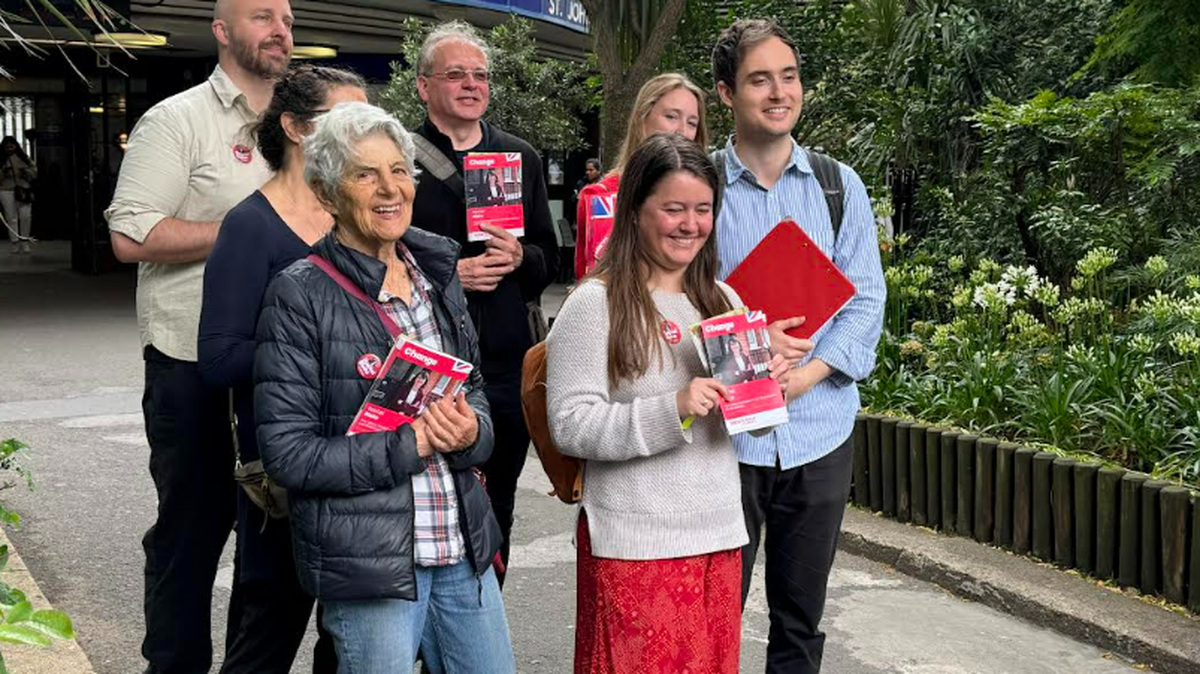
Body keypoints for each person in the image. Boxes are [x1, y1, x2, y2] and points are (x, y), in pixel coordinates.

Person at [254, 101, 514, 673]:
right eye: (364, 173)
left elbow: (475, 395)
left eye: (398, 170)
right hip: (370, 565)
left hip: (458, 544)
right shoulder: (298, 294)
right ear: (327, 193)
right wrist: (413, 443)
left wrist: (470, 430)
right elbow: (289, 456)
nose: (388, 188)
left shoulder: (436, 273)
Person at [547, 133, 790, 674]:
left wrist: (767, 386)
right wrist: (674, 406)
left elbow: (754, 427)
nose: (690, 224)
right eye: (673, 208)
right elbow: (570, 424)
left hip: (719, 537)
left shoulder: (722, 299)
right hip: (633, 544)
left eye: (702, 209)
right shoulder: (595, 303)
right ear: (635, 212)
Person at [104, 0, 293, 670]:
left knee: (272, 544)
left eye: (287, 17)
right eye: (262, 15)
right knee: (192, 535)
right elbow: (131, 235)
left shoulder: (302, 127)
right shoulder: (177, 120)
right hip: (191, 363)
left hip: (286, 368)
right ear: (221, 32)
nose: (280, 29)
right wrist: (253, 234)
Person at [711, 18, 886, 673]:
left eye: (788, 76)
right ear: (728, 94)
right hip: (725, 437)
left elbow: (865, 299)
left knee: (800, 622)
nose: (779, 91)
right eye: (760, 79)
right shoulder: (698, 188)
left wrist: (807, 375)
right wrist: (748, 352)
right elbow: (671, 304)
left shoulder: (840, 188)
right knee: (712, 616)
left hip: (819, 431)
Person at [197, 63, 366, 674]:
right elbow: (218, 357)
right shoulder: (250, 225)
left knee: (348, 637)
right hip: (283, 470)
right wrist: (319, 356)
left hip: (363, 459)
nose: (363, 134)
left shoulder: (359, 215)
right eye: (346, 119)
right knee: (266, 634)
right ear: (295, 128)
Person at [410, 20, 560, 583]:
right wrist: (453, 273)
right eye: (456, 75)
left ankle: (478, 627)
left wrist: (522, 260)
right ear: (425, 86)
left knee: (495, 512)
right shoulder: (398, 158)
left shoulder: (519, 157)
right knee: (418, 512)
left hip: (502, 367)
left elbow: (551, 257)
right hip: (425, 367)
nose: (471, 84)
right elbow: (372, 260)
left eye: (480, 75)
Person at [574, 72, 707, 281]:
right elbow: (587, 279)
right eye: (671, 116)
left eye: (692, 123)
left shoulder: (706, 198)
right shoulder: (600, 197)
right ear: (641, 118)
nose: (682, 131)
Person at [0, 136, 36, 255]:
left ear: (16, 146)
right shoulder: (0, 159)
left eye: (12, 146)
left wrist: (25, 172)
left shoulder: (24, 158)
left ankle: (24, 242)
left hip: (23, 189)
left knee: (26, 216)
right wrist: (3, 172)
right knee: (11, 218)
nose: (10, 149)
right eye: (7, 146)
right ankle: (15, 243)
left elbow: (35, 172)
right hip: (6, 190)